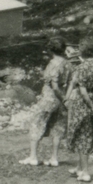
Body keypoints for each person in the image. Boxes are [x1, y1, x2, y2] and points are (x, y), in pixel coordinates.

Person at [20, 37, 70, 166]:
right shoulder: (68, 64)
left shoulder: (53, 64)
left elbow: (54, 86)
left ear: (51, 50)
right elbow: (70, 83)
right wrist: (66, 99)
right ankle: (54, 158)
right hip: (63, 98)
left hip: (50, 97)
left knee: (37, 122)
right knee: (58, 126)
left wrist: (60, 96)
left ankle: (33, 156)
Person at [64, 37, 93, 182]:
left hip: (84, 103)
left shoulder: (82, 67)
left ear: (83, 51)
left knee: (82, 136)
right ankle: (80, 167)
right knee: (89, 133)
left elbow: (83, 90)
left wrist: (90, 105)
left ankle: (85, 171)